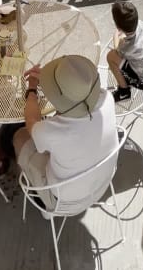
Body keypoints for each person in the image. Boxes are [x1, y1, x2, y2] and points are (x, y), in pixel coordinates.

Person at [13, 55, 118, 209]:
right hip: (102, 183)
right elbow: (76, 107)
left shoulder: (51, 131)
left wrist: (32, 90)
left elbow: (31, 122)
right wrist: (56, 85)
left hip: (65, 201)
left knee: (20, 136)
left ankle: (42, 200)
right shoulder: (107, 98)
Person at [106, 0, 143, 102]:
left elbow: (117, 50)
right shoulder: (140, 24)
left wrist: (115, 36)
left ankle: (124, 92)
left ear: (118, 27)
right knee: (124, 51)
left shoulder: (126, 47)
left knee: (111, 56)